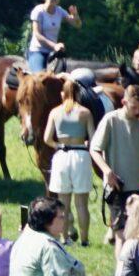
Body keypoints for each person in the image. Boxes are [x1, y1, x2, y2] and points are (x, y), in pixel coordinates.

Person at [89, 87, 139, 247]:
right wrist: (107, 171)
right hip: (118, 186)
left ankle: (134, 267)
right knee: (121, 235)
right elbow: (94, 149)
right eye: (134, 107)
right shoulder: (111, 120)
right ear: (124, 102)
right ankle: (122, 271)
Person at [8, 197, 89, 276]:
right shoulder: (49, 248)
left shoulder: (22, 240)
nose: (65, 220)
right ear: (47, 221)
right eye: (61, 217)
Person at [43, 77, 97, 240]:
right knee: (81, 204)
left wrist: (58, 145)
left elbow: (47, 138)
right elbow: (93, 138)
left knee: (63, 204)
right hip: (80, 154)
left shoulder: (55, 112)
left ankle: (64, 238)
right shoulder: (85, 112)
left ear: (62, 94)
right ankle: (85, 239)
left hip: (62, 155)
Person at [25, 0, 77, 73]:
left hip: (53, 53)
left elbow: (77, 24)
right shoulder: (38, 11)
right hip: (38, 51)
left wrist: (76, 16)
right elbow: (37, 34)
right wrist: (55, 45)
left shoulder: (59, 10)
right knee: (40, 78)